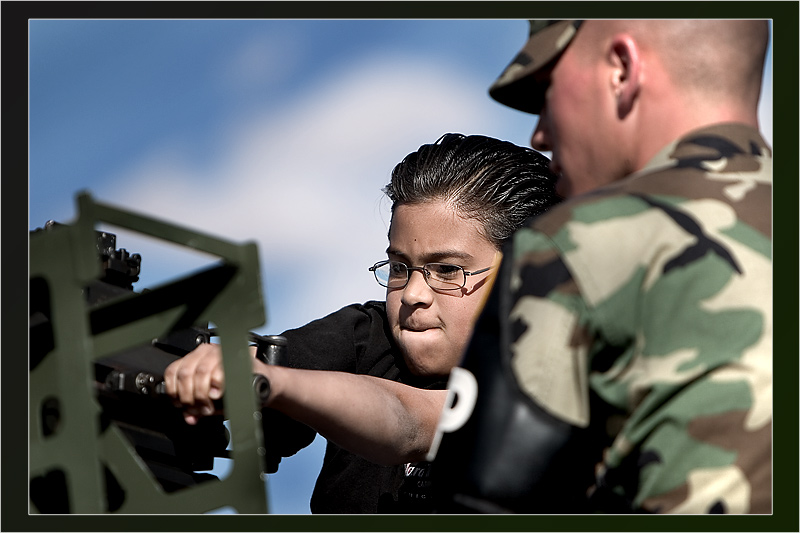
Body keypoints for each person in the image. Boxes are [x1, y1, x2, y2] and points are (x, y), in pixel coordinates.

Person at [428, 20, 772, 514]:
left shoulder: (572, 242)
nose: (539, 133)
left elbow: (485, 507)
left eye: (546, 92)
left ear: (621, 69)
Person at [164, 133, 562, 513]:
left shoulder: (553, 379)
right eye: (400, 267)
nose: (412, 294)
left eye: (446, 269)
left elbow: (409, 421)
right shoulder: (367, 338)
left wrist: (273, 383)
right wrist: (218, 369)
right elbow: (271, 361)